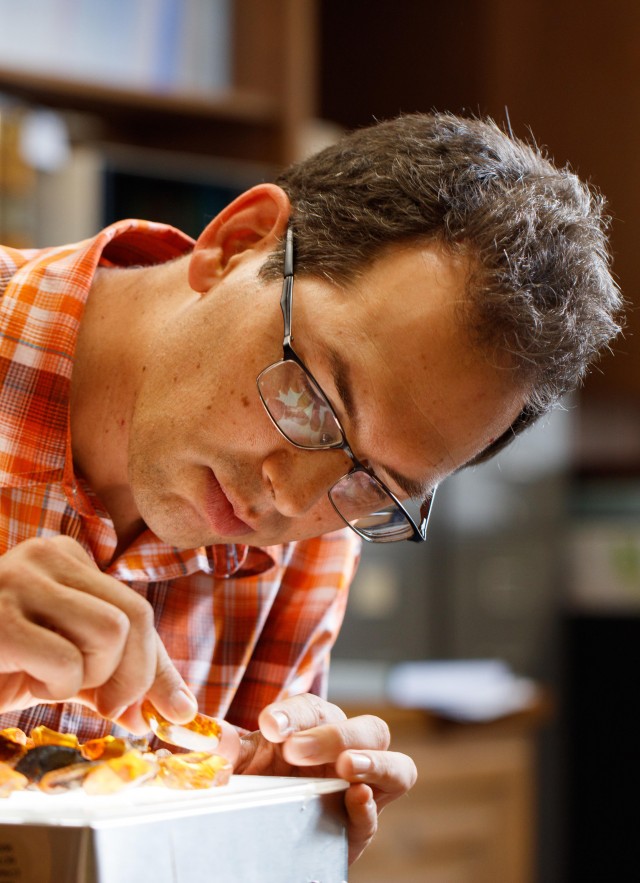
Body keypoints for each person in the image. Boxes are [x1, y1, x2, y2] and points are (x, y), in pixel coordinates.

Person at [0, 111, 622, 862]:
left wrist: (260, 836)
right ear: (237, 243)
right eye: (315, 398)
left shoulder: (314, 544)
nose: (292, 500)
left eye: (374, 483)